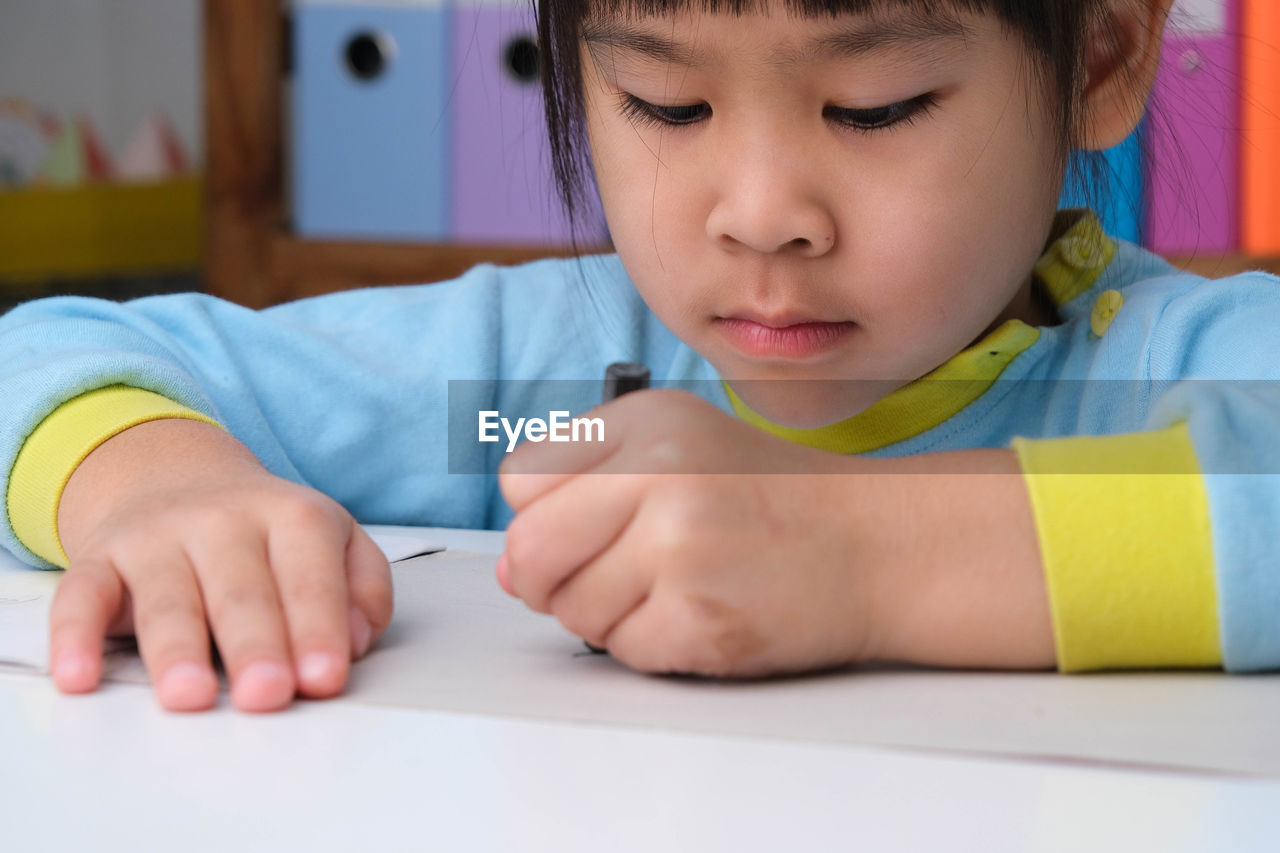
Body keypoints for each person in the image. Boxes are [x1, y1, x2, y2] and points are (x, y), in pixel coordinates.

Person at [3, 0, 1274, 714]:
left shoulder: (1164, 367)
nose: (760, 211)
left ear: (1099, 58)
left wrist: (861, 556)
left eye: (873, 105)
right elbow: (69, 351)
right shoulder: (530, 385)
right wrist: (160, 486)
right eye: (666, 105)